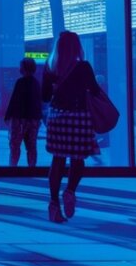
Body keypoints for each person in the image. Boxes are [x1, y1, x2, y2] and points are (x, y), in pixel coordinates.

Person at [42, 31, 100, 223]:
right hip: (79, 117)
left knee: (57, 160)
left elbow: (44, 96)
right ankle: (70, 191)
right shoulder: (83, 66)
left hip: (57, 117)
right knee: (78, 159)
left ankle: (53, 203)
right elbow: (94, 90)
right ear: (77, 47)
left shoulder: (50, 67)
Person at [5, 58, 42, 167]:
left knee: (15, 146)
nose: (19, 68)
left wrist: (8, 116)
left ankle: (12, 167)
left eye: (21, 66)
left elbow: (14, 100)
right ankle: (31, 168)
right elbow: (38, 103)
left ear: (24, 68)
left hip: (19, 120)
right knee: (31, 147)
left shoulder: (20, 82)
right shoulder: (36, 83)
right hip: (33, 119)